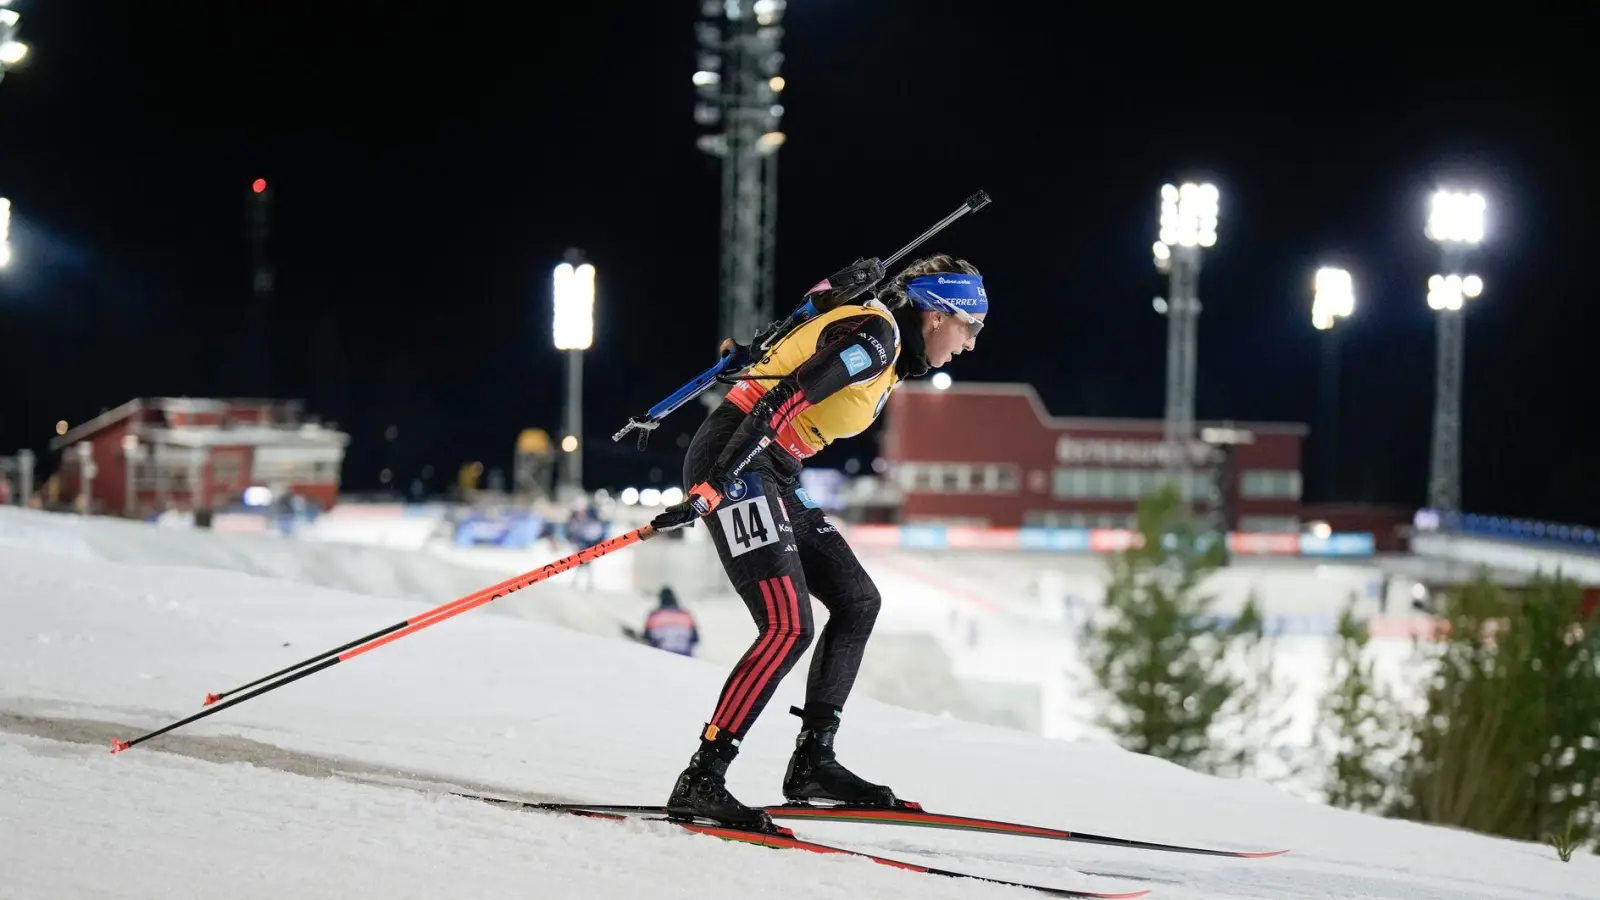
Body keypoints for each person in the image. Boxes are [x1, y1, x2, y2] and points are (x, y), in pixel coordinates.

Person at [648, 254, 989, 831]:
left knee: (858, 600)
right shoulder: (877, 338)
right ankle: (702, 777)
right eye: (969, 327)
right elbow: (780, 402)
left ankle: (813, 761)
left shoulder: (885, 344)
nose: (971, 344)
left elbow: (810, 315)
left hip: (773, 467)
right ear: (936, 315)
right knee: (787, 625)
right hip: (739, 455)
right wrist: (719, 481)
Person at [643, 586, 700, 657]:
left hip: (661, 656)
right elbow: (696, 639)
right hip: (685, 656)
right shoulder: (686, 615)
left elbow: (646, 637)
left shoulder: (654, 615)